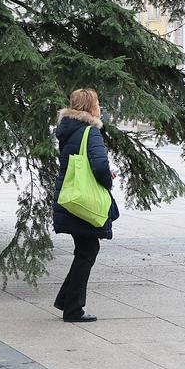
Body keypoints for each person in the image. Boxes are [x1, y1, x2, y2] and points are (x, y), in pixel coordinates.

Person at [52, 88, 119, 320]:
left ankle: (66, 301)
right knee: (87, 251)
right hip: (82, 199)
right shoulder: (90, 132)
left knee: (85, 250)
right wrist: (108, 179)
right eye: (98, 102)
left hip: (70, 197)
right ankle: (72, 309)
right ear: (91, 106)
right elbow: (99, 166)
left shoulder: (68, 130)